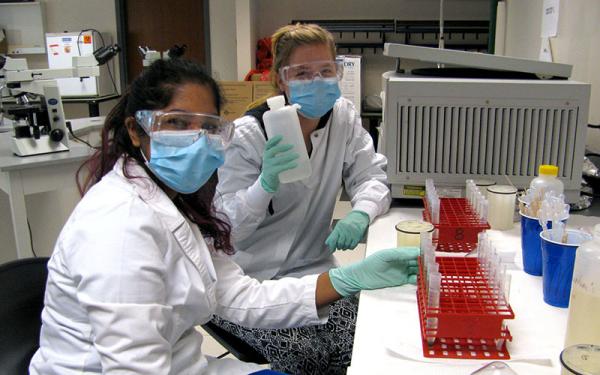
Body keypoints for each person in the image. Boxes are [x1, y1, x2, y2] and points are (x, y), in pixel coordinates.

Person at [29, 58, 418, 374]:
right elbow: (134, 368)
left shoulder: (174, 201)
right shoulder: (119, 226)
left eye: (209, 127)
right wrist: (265, 187)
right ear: (136, 130)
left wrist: (349, 278)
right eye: (177, 123)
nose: (197, 140)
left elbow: (238, 295)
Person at [212, 24, 391, 374]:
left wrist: (361, 213)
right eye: (303, 73)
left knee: (359, 338)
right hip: (251, 280)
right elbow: (227, 232)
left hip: (313, 269)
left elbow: (371, 176)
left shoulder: (343, 117)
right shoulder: (249, 135)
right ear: (281, 80)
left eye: (326, 71)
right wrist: (264, 185)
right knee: (305, 354)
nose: (318, 81)